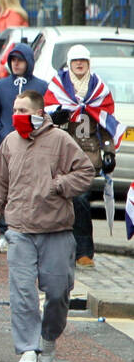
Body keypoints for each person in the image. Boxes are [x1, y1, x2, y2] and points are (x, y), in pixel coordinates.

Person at [0, 90, 95, 362]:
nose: (17, 116)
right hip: (20, 230)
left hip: (56, 229)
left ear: (38, 113)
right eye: (15, 110)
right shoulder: (9, 142)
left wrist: (59, 185)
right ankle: (28, 347)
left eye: (23, 110)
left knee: (58, 292)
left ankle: (48, 336)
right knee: (22, 292)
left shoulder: (60, 140)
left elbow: (85, 173)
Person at [45, 45, 120, 268]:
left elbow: (107, 123)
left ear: (89, 63)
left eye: (83, 61)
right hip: (63, 154)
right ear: (69, 63)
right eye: (75, 60)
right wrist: (55, 116)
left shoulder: (99, 90)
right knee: (62, 202)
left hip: (89, 156)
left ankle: (84, 251)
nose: (79, 64)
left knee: (80, 200)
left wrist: (109, 152)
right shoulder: (57, 87)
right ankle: (63, 250)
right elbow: (45, 118)